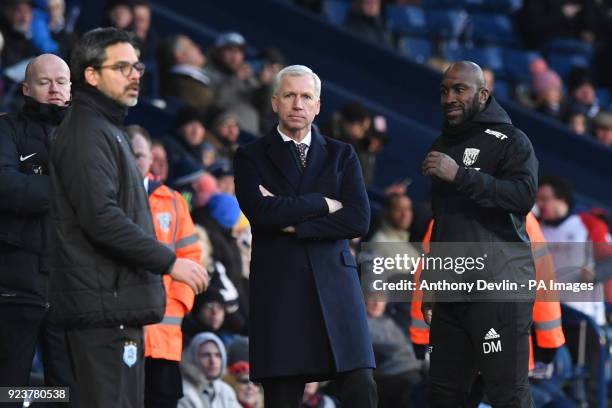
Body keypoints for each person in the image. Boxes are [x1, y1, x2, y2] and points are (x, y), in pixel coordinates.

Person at [48, 27, 208, 408]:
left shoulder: (105, 128)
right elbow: (101, 218)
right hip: (103, 310)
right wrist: (170, 262)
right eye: (122, 67)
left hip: (116, 307)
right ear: (91, 75)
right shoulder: (87, 132)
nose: (136, 75)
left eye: (136, 66)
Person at [234, 64, 377, 408]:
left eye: (306, 97)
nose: (298, 104)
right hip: (281, 289)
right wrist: (323, 203)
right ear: (274, 102)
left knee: (361, 386)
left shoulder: (342, 154)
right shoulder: (249, 156)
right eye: (290, 95)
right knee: (283, 395)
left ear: (317, 105)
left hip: (336, 286)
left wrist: (296, 224)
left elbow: (358, 219)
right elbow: (262, 213)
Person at [421, 61, 538, 407]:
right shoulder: (442, 142)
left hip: (498, 289)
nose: (449, 98)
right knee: (443, 394)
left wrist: (459, 175)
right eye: (444, 90)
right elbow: (444, 222)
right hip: (451, 291)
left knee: (507, 395)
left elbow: (522, 196)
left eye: (460, 89)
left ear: (483, 94)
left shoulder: (512, 141)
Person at [0, 53, 77, 405]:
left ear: (72, 88)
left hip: (70, 290)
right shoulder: (6, 128)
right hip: (16, 286)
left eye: (61, 82)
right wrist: (65, 191)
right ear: (27, 88)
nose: (54, 90)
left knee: (66, 395)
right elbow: (5, 186)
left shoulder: (87, 136)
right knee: (9, 392)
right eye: (45, 82)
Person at [127, 125, 204, 408]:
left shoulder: (173, 201)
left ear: (150, 158)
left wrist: (174, 306)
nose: (136, 160)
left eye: (141, 154)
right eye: (130, 153)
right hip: (117, 336)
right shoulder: (104, 196)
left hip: (163, 339)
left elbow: (192, 259)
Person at [179, 332, 241, 408]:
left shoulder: (226, 391)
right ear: (193, 358)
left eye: (218, 355)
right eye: (206, 355)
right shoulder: (182, 391)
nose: (213, 361)